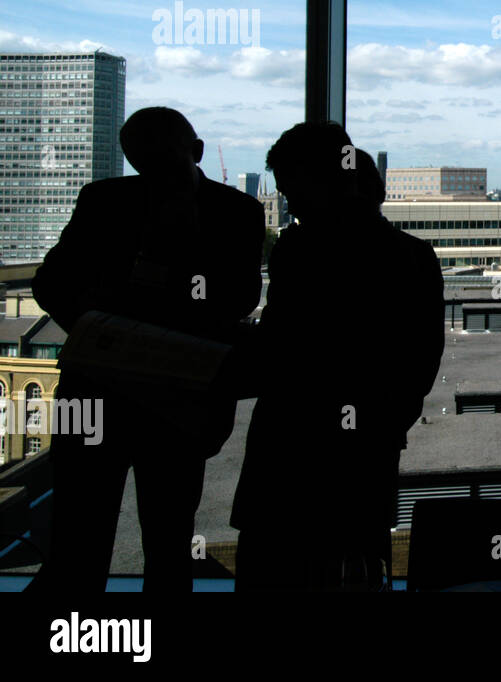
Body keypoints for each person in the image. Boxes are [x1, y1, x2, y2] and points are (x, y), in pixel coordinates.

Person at [29, 107, 265, 591]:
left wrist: (99, 326)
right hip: (179, 394)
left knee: (83, 539)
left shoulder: (104, 200)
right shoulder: (235, 211)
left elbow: (50, 282)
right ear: (196, 151)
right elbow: (238, 299)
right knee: (167, 541)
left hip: (100, 390)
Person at [231, 127, 443, 590]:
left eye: (292, 190)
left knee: (272, 572)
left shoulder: (298, 251)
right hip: (366, 458)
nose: (290, 203)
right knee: (357, 565)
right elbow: (421, 368)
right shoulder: (415, 258)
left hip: (287, 455)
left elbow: (280, 354)